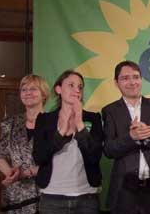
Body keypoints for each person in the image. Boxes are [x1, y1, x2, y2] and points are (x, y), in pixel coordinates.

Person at [102, 61, 150, 214]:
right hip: (124, 191)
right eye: (125, 78)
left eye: (136, 77)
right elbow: (109, 150)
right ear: (116, 82)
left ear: (141, 79)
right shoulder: (110, 111)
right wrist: (131, 137)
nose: (132, 82)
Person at [32, 70, 104, 214]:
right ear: (58, 89)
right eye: (71, 85)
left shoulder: (93, 118)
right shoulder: (44, 120)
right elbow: (39, 157)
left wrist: (79, 123)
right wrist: (60, 133)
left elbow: (94, 156)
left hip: (86, 198)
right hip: (52, 198)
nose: (77, 90)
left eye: (80, 87)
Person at [0, 74, 49, 214]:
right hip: (16, 194)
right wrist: (10, 174)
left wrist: (26, 173)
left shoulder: (53, 122)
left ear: (44, 94)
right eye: (24, 89)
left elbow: (57, 160)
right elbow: (0, 156)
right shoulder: (9, 123)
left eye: (33, 89)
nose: (28, 93)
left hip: (45, 193)